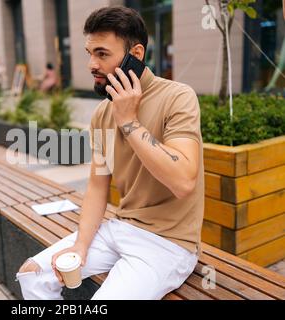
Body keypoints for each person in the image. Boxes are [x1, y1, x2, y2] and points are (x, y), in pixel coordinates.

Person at [16, 6, 204, 300]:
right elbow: (96, 186)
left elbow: (183, 182)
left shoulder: (177, 97)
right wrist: (80, 245)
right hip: (120, 228)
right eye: (89, 53)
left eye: (102, 54)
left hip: (168, 243)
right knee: (32, 274)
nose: (92, 64)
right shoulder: (102, 113)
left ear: (136, 55)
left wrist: (129, 122)